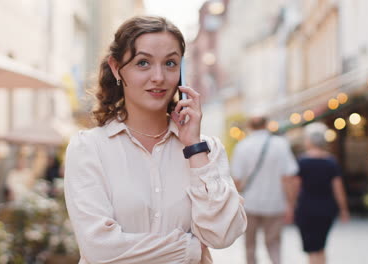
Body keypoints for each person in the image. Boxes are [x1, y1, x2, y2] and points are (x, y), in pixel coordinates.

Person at [63, 16, 247, 264]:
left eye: (170, 63)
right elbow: (99, 249)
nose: (159, 77)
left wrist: (194, 148)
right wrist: (190, 250)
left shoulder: (205, 150)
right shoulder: (89, 148)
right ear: (117, 68)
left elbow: (222, 234)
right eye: (143, 63)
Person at [231, 115, 298, 264]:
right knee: (274, 244)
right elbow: (288, 177)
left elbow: (237, 179)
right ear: (266, 124)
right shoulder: (281, 144)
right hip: (275, 203)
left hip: (249, 203)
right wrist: (290, 204)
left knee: (250, 246)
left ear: (249, 126)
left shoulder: (242, 146)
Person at [290, 122, 350, 264]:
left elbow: (295, 187)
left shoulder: (302, 161)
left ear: (308, 140)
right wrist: (344, 209)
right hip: (326, 208)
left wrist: (291, 206)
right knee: (321, 246)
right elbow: (338, 188)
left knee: (312, 248)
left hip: (306, 208)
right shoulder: (331, 161)